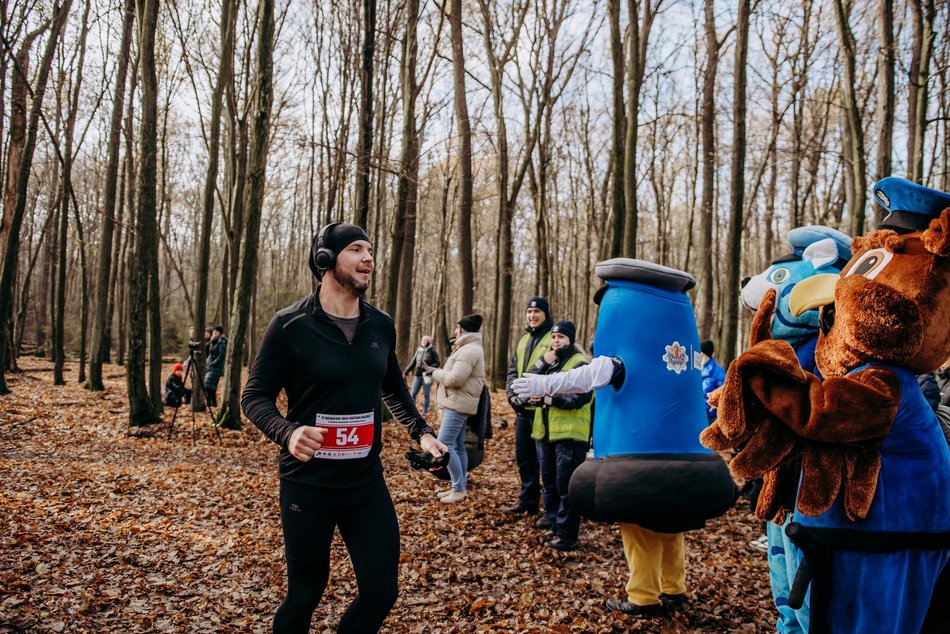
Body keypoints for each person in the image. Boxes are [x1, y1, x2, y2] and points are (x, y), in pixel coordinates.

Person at [241, 222, 447, 634]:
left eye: (370, 250)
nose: (369, 258)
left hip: (364, 483)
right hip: (308, 484)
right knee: (305, 593)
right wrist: (288, 432)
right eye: (356, 249)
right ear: (325, 260)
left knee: (381, 591)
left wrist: (422, 432)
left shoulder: (381, 326)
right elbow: (254, 397)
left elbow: (394, 389)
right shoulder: (289, 325)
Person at [524, 320, 592, 551]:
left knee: (566, 486)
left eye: (561, 337)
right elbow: (527, 381)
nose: (556, 341)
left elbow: (580, 398)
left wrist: (548, 399)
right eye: (553, 338)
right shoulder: (550, 364)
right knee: (550, 484)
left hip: (570, 435)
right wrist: (543, 363)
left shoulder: (579, 363)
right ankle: (554, 524)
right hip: (546, 434)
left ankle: (567, 535)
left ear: (570, 339)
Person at [501, 296, 553, 515]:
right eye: (529, 312)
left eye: (537, 312)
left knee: (546, 463)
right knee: (525, 459)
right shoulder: (523, 339)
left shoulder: (553, 337)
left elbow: (554, 372)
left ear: (545, 314)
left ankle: (551, 508)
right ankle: (528, 502)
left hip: (544, 411)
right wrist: (512, 395)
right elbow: (513, 371)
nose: (532, 316)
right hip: (522, 412)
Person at [427, 313, 486, 504]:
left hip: (457, 405)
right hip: (458, 403)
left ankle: (458, 488)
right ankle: (458, 487)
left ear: (462, 329)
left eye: (457, 327)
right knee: (458, 446)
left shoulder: (469, 350)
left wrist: (434, 372)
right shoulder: (468, 348)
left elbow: (455, 379)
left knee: (444, 444)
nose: (454, 330)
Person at [403, 335, 440, 415]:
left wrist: (429, 367)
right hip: (417, 375)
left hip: (427, 376)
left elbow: (437, 363)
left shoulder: (432, 351)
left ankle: (424, 412)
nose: (423, 342)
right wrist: (405, 372)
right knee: (413, 393)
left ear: (429, 342)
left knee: (426, 394)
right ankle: (411, 411)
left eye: (425, 340)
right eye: (422, 340)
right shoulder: (419, 350)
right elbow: (413, 362)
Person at [699, 339, 725, 423]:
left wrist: (717, 404)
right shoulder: (695, 370)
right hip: (697, 414)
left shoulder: (718, 372)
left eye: (702, 354)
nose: (700, 356)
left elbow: (725, 391)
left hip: (711, 416)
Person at [204, 325, 227, 407]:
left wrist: (213, 363)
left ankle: (212, 403)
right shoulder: (213, 341)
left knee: (209, 385)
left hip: (217, 367)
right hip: (210, 366)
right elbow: (210, 354)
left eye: (216, 332)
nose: (214, 333)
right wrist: (208, 362)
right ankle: (211, 402)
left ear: (220, 333)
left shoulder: (222, 342)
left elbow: (221, 355)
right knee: (209, 385)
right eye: (213, 332)